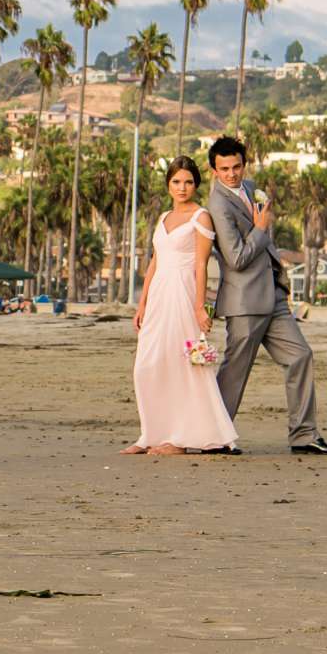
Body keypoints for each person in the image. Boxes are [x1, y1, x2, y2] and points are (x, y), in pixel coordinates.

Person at [207, 135, 327, 455]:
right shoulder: (217, 204)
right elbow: (236, 257)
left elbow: (264, 238)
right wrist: (260, 226)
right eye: (224, 168)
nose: (232, 174)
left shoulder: (252, 187)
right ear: (214, 170)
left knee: (300, 356)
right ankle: (213, 436)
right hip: (244, 301)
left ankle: (304, 435)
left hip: (274, 296)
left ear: (244, 164)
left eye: (236, 166)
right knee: (235, 371)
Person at [124, 156, 237, 456]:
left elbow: (201, 264)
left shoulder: (201, 217)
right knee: (146, 366)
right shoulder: (162, 219)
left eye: (188, 182)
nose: (182, 187)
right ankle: (150, 433)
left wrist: (201, 307)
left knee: (183, 365)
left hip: (184, 295)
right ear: (169, 185)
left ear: (196, 185)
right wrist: (142, 303)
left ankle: (180, 439)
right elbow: (154, 263)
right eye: (176, 182)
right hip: (159, 296)